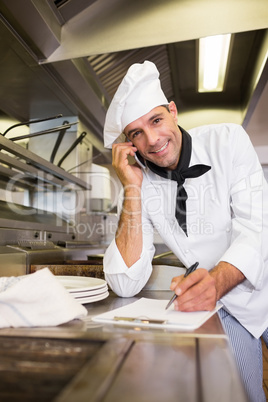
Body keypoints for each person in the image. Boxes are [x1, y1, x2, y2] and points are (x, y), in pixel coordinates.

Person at [102, 60, 268, 402]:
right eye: (136, 133)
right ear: (129, 143)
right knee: (244, 394)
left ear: (173, 111)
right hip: (225, 304)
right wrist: (131, 189)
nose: (152, 140)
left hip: (259, 275)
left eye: (156, 120)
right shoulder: (139, 183)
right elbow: (125, 282)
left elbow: (258, 226)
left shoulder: (228, 140)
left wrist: (216, 280)